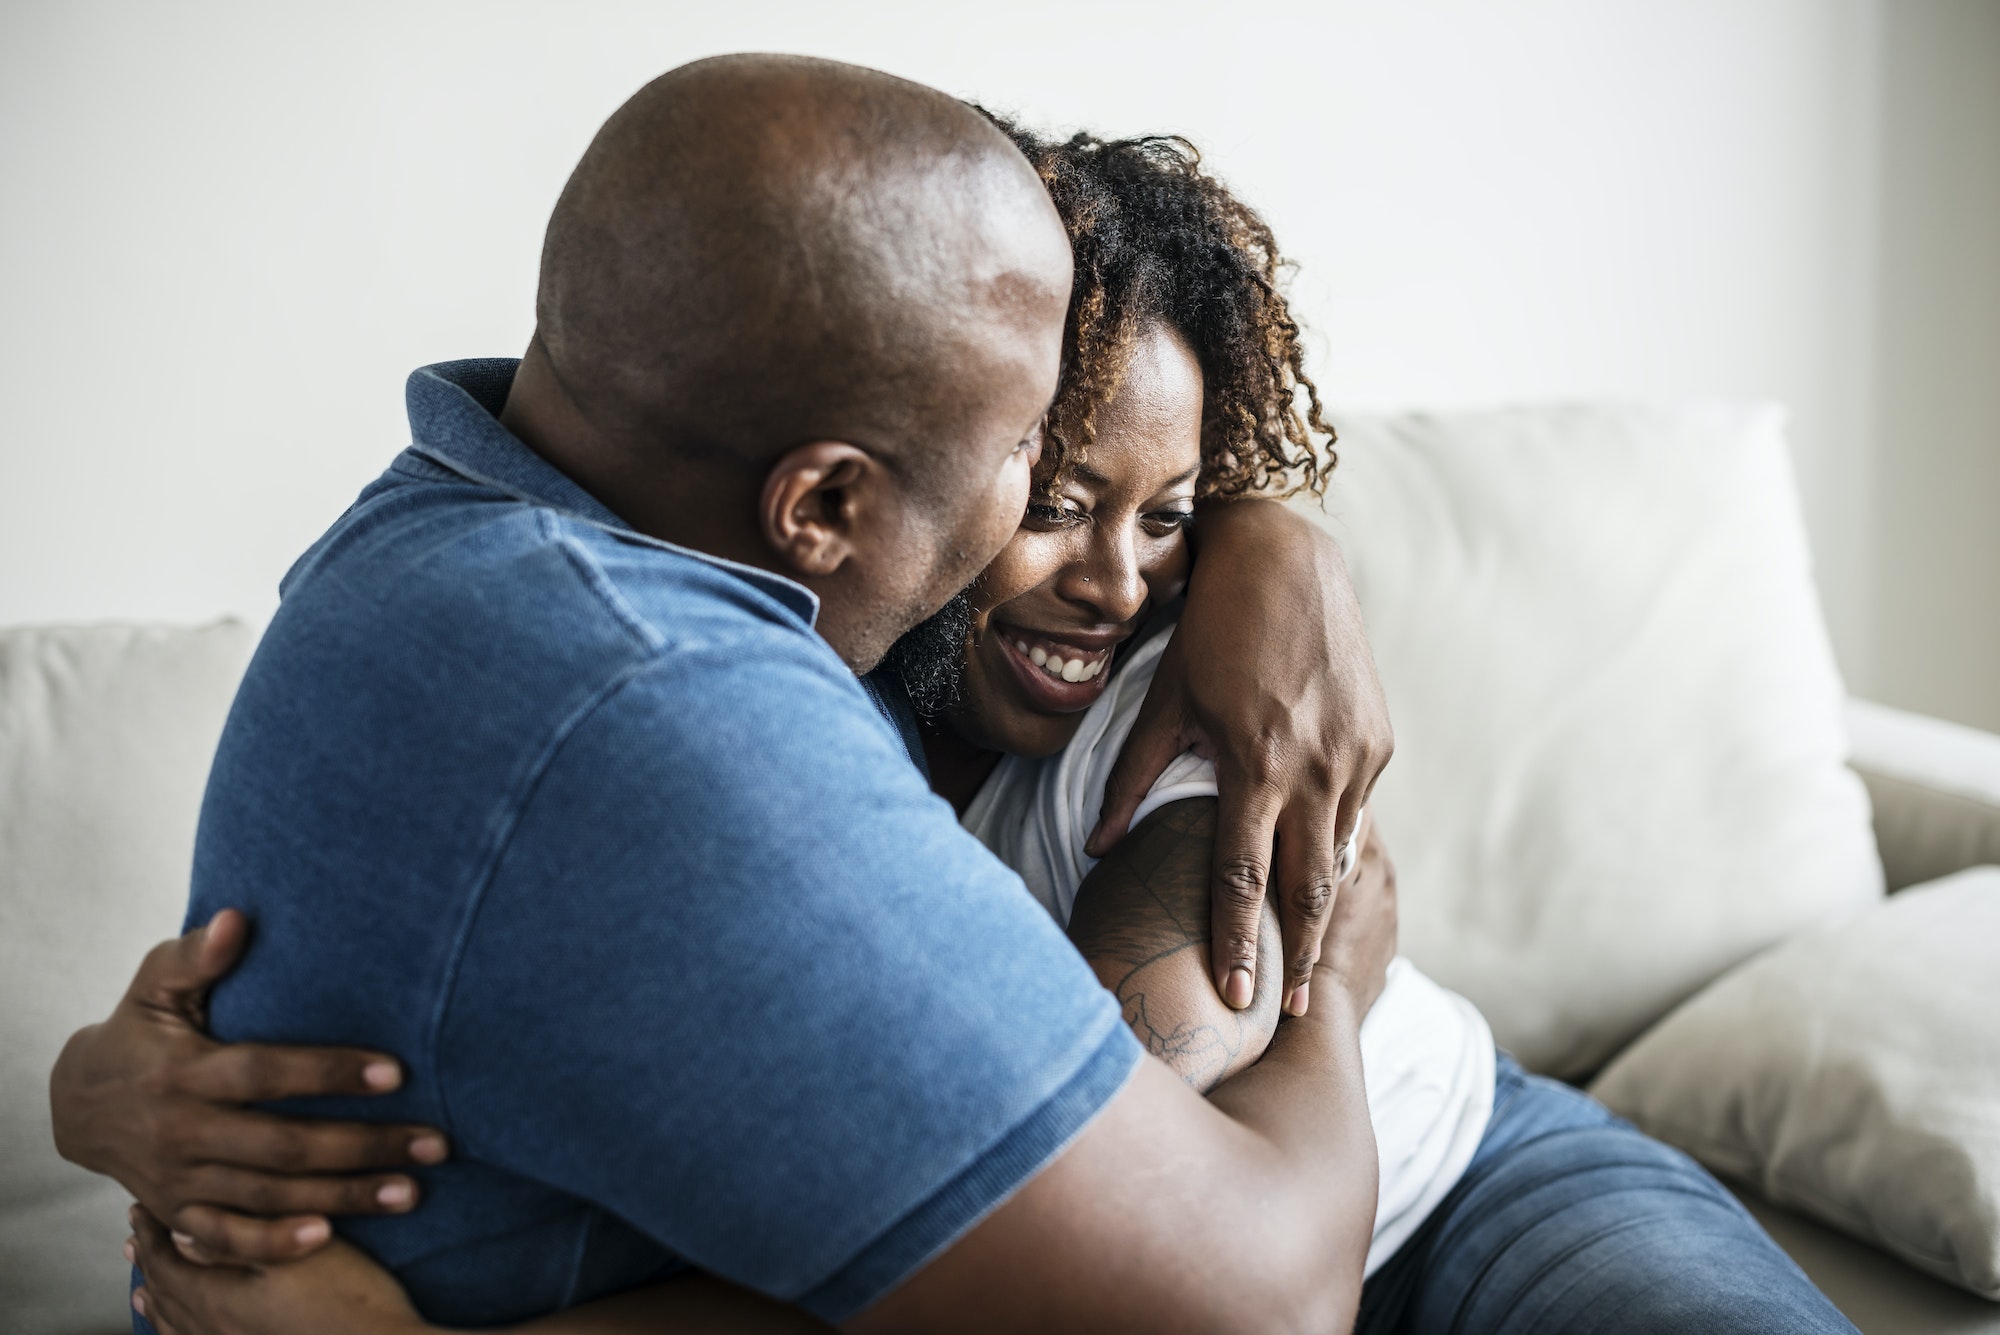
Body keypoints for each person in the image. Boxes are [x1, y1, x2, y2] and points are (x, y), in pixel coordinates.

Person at [61, 122, 1859, 1335]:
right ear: (832, 489)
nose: (1109, 572)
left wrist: (1327, 969)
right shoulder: (744, 682)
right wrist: (99, 1093)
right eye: (1042, 479)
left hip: (1456, 1169)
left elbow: (1120, 1129)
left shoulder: (1187, 702)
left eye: (1177, 516)